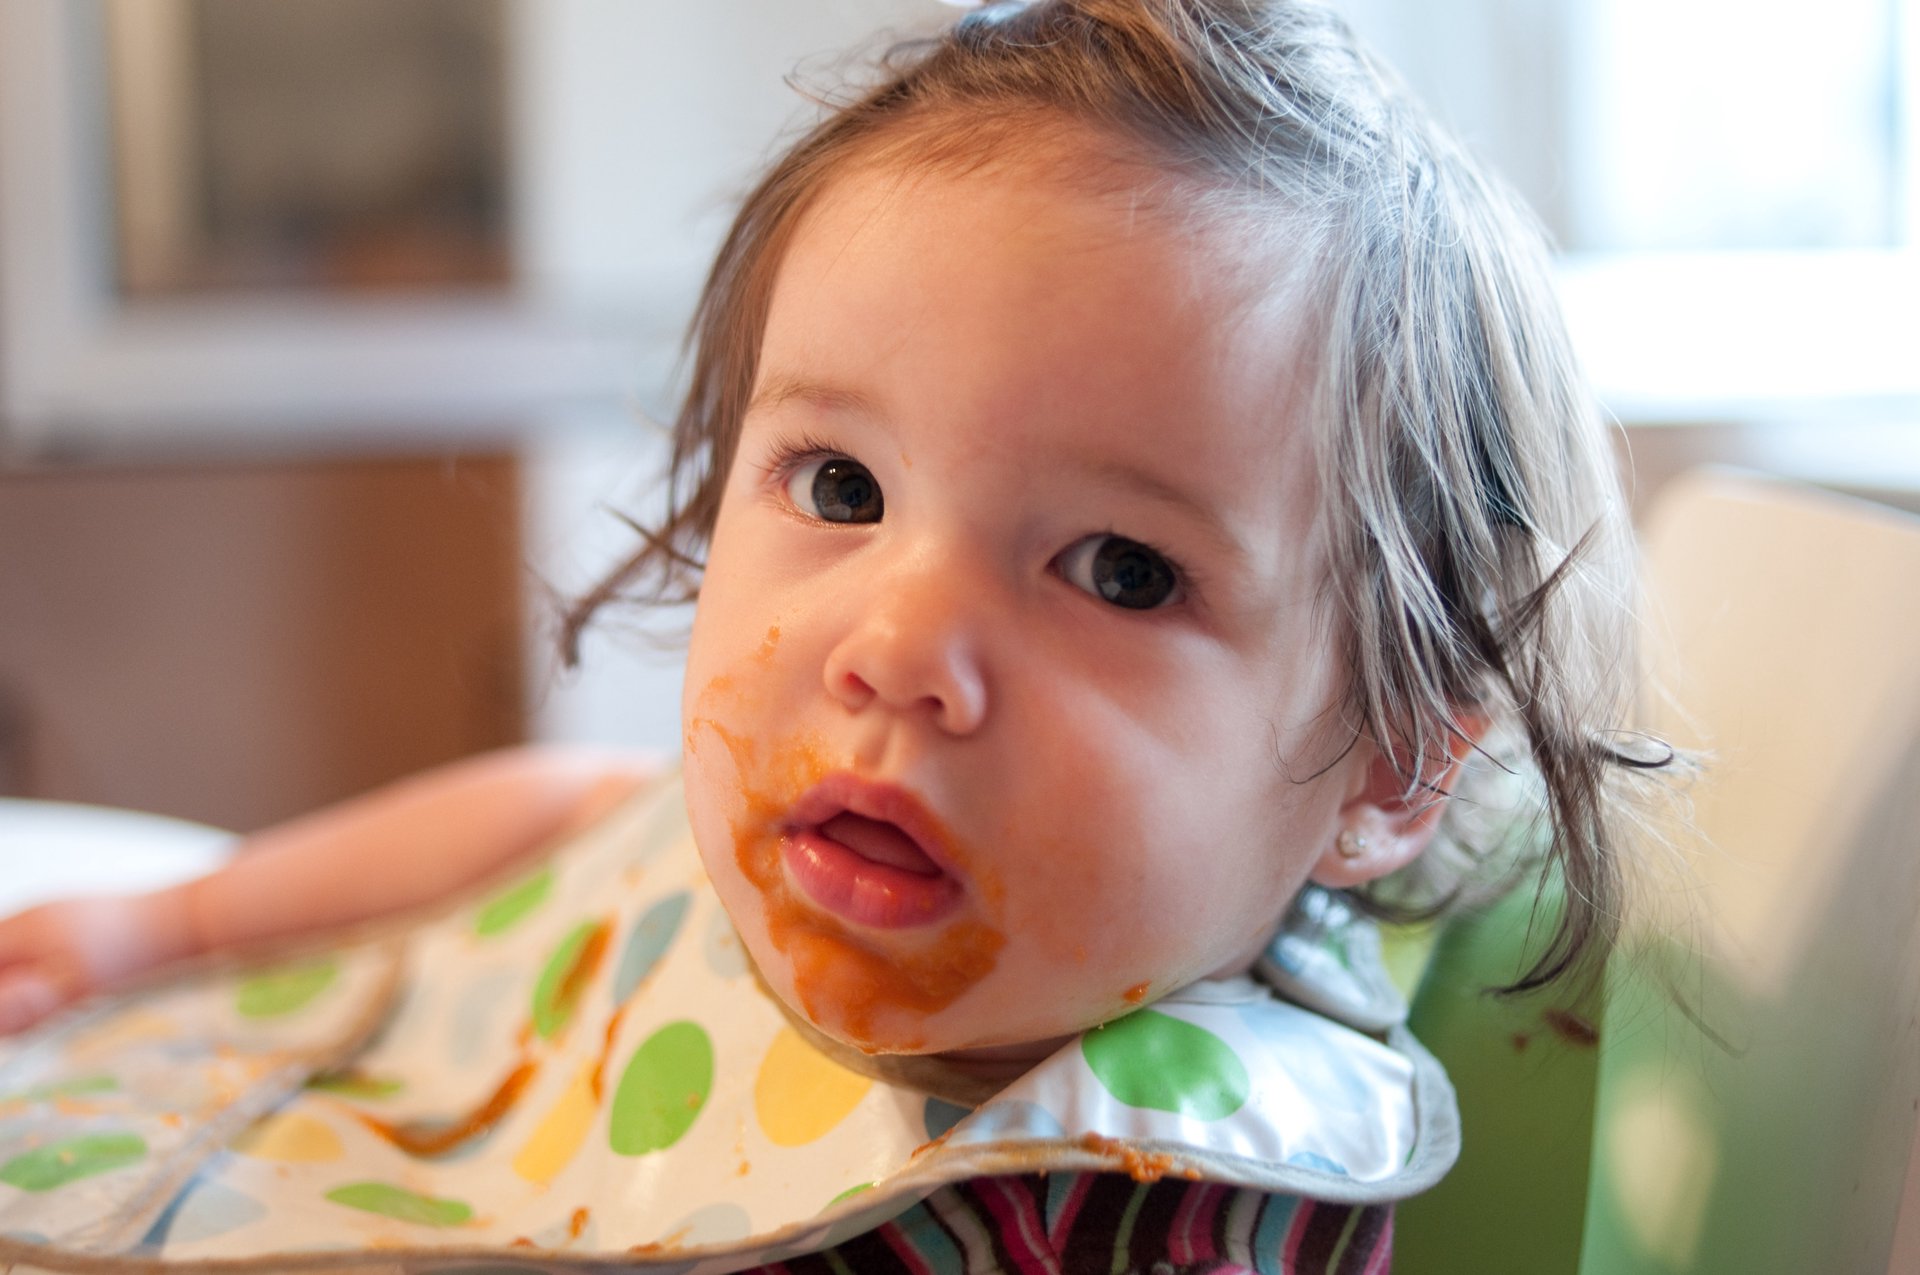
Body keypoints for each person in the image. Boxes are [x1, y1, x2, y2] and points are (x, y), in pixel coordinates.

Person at [0, 1, 1670, 1269]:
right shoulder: (828, 837)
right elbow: (572, 832)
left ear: (1385, 769)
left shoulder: (1149, 1199)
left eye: (1121, 572)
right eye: (843, 485)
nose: (895, 647)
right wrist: (177, 921)